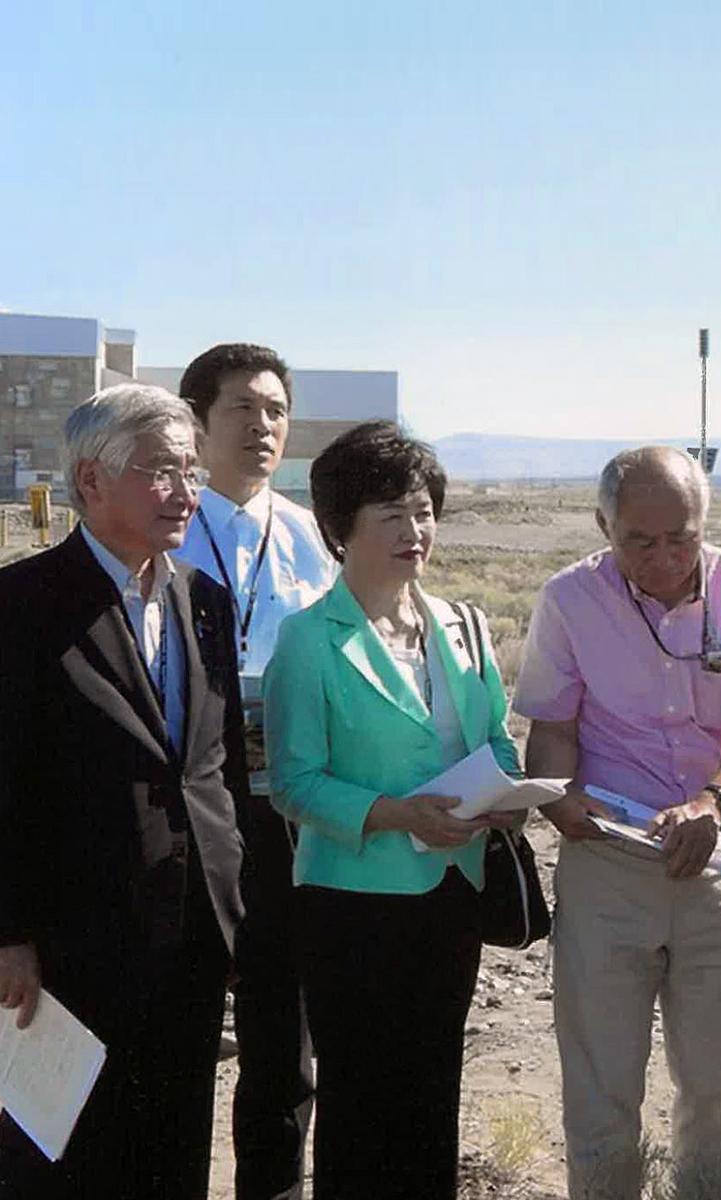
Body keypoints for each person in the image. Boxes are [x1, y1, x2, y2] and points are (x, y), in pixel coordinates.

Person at [515, 446, 721, 1198]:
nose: (665, 558)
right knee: (601, 1089)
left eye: (683, 537)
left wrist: (714, 801)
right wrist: (560, 800)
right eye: (640, 540)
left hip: (719, 867)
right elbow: (552, 726)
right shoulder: (569, 599)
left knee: (717, 1091)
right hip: (607, 865)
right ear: (604, 525)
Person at [263, 421, 524, 1199]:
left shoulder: (466, 627)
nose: (416, 532)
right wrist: (397, 814)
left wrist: (509, 799)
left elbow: (496, 743)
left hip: (453, 895)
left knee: (432, 1090)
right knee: (359, 1103)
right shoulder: (309, 641)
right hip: (352, 904)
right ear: (340, 531)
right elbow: (294, 782)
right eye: (392, 516)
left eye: (423, 511)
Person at [0, 385, 249, 1198]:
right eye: (161, 471)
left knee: (175, 1145)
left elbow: (214, 772)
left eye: (192, 471)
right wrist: (9, 933)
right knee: (67, 1157)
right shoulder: (24, 606)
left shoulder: (203, 602)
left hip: (190, 932)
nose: (185, 492)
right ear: (89, 480)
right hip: (74, 943)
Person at [175, 342, 334, 1200]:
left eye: (276, 410)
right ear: (198, 423)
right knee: (182, 1014)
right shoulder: (162, 531)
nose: (263, 426)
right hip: (187, 812)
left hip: (286, 811)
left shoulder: (310, 536)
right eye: (242, 408)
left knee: (284, 1028)